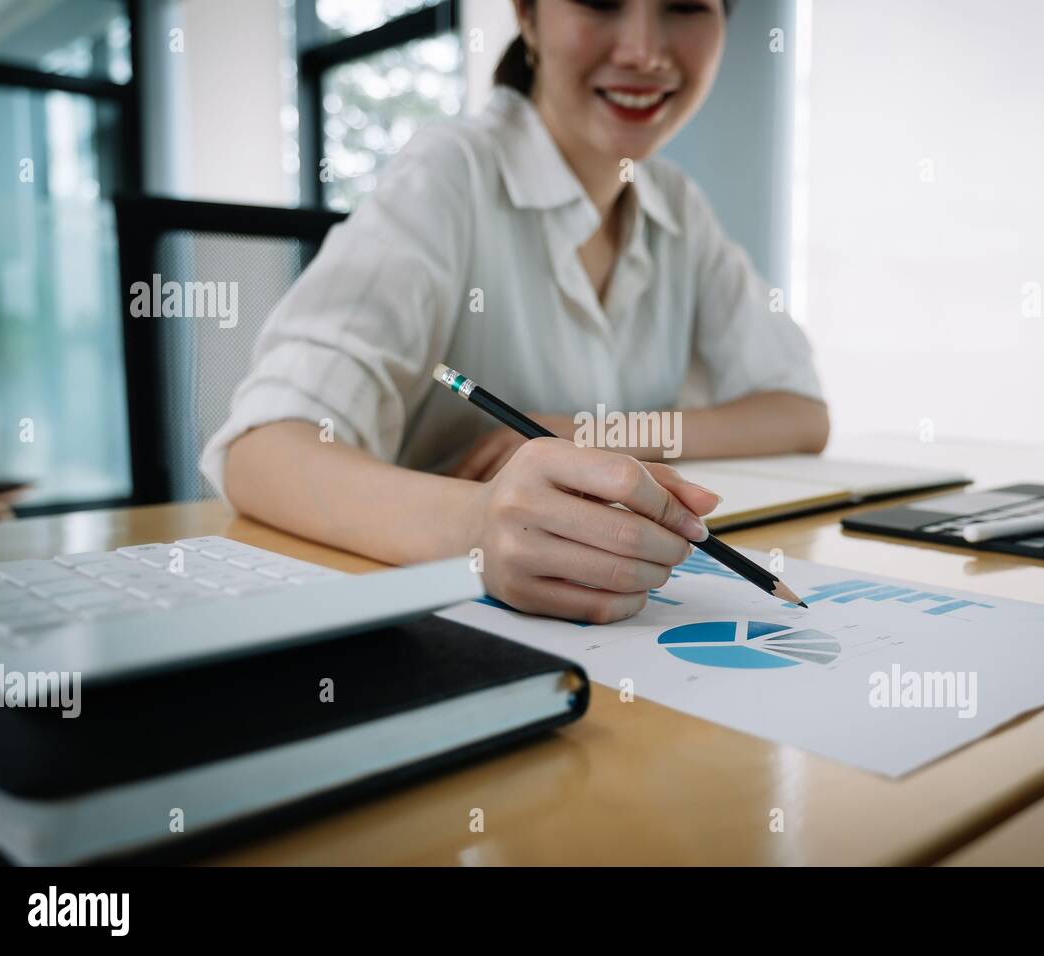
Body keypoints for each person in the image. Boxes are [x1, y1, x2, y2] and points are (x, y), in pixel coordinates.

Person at [202, 0, 828, 623]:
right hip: (432, 627)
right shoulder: (450, 173)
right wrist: (476, 526)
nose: (644, 50)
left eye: (685, 6)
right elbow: (263, 451)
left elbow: (799, 414)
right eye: (601, 2)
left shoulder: (676, 207)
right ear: (526, 15)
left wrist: (586, 435)